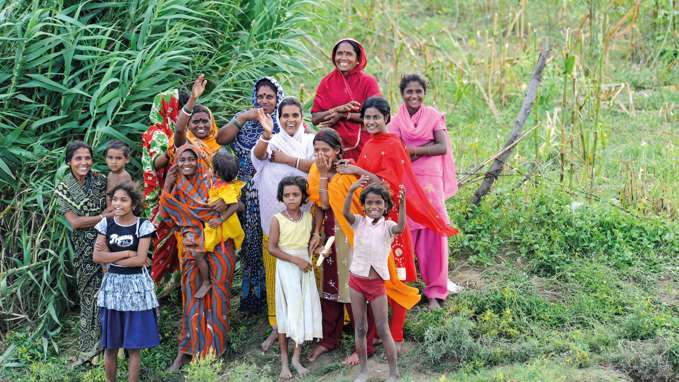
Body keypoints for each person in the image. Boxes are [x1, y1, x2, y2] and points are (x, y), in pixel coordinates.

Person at [337, 96, 458, 355]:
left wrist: (357, 172)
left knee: (398, 274)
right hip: (371, 219)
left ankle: (398, 334)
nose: (370, 122)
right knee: (381, 275)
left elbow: (388, 184)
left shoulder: (392, 144)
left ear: (386, 120)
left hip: (389, 220)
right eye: (367, 117)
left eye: (376, 118)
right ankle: (383, 332)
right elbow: (369, 177)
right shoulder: (370, 144)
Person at [158, 144, 237, 371]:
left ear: (199, 160)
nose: (187, 164)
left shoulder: (212, 180)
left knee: (219, 294)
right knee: (192, 297)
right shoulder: (176, 186)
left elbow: (237, 202)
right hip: (191, 245)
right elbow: (164, 214)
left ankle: (215, 351)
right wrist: (168, 184)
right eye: (182, 160)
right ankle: (187, 350)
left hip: (220, 242)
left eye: (191, 159)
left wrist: (220, 213)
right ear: (176, 164)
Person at [388, 74, 461, 309]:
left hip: (430, 181)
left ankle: (435, 294)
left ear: (424, 93)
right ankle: (405, 290)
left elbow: (442, 146)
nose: (414, 96)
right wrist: (408, 152)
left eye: (418, 91)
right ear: (402, 94)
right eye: (409, 91)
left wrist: (414, 151)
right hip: (406, 179)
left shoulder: (433, 116)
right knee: (406, 231)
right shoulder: (397, 120)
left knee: (433, 232)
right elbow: (393, 147)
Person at [250, 97, 316, 351]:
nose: (290, 120)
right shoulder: (272, 140)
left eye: (295, 115)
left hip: (304, 222)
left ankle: (305, 328)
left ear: (302, 117)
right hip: (275, 223)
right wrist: (266, 134)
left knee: (304, 276)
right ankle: (278, 327)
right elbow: (258, 155)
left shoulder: (310, 141)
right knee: (276, 277)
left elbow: (318, 166)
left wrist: (287, 159)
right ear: (279, 118)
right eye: (285, 115)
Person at [217, 76, 286, 314]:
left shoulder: (283, 121)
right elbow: (220, 139)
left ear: (278, 99)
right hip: (245, 193)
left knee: (273, 240)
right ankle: (253, 298)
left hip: (273, 192)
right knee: (250, 244)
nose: (264, 101)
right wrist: (243, 117)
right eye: (260, 96)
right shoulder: (244, 122)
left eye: (269, 96)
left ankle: (277, 297)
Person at [92, 182, 159, 382]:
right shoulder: (106, 224)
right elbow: (97, 256)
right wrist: (127, 252)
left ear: (133, 203)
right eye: (114, 199)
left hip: (136, 288)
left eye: (123, 199)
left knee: (133, 346)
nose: (118, 204)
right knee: (111, 345)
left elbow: (140, 261)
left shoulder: (143, 225)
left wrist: (111, 256)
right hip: (112, 288)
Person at [55, 140, 111, 366]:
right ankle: (89, 351)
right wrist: (103, 217)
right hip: (84, 249)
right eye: (78, 158)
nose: (84, 162)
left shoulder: (100, 180)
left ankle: (110, 348)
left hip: (108, 243)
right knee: (90, 296)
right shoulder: (64, 186)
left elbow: (115, 204)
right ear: (69, 161)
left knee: (110, 294)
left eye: (87, 157)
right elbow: (75, 223)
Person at [343, 181, 405, 382]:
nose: (373, 207)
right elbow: (345, 214)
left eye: (378, 202)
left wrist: (402, 206)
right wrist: (352, 190)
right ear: (364, 205)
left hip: (376, 284)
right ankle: (363, 371)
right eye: (369, 203)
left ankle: (393, 373)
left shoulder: (388, 226)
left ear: (386, 206)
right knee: (360, 327)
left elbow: (401, 227)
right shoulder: (358, 222)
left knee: (382, 328)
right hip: (356, 281)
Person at [268, 176, 322, 379]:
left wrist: (318, 249)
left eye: (295, 194)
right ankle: (284, 362)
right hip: (287, 269)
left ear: (303, 196)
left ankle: (296, 359)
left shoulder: (308, 218)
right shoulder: (277, 219)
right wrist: (295, 260)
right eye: (287, 195)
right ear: (281, 197)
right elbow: (272, 249)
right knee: (286, 313)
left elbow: (310, 243)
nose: (291, 198)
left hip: (304, 268)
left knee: (302, 310)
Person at [142, 89, 187, 282]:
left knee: (173, 243)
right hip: (159, 194)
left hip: (171, 192)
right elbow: (157, 163)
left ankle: (172, 288)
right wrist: (173, 151)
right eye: (180, 108)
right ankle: (155, 291)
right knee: (163, 242)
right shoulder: (157, 133)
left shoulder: (170, 130)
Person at [311, 38, 381, 160]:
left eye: (349, 54)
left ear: (358, 59)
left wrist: (344, 115)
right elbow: (315, 118)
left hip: (364, 145)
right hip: (333, 148)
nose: (343, 58)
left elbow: (378, 115)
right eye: (339, 53)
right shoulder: (326, 82)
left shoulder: (368, 82)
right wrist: (336, 110)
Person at [200, 151, 245, 297]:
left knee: (199, 253)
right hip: (217, 225)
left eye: (212, 169)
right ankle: (208, 281)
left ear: (218, 172)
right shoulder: (219, 183)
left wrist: (221, 219)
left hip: (221, 228)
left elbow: (234, 206)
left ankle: (206, 281)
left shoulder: (225, 188)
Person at [104, 140, 132, 207]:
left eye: (118, 158)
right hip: (111, 211)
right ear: (105, 158)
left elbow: (126, 199)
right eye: (110, 158)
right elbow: (109, 195)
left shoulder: (124, 176)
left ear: (127, 159)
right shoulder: (110, 174)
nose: (113, 162)